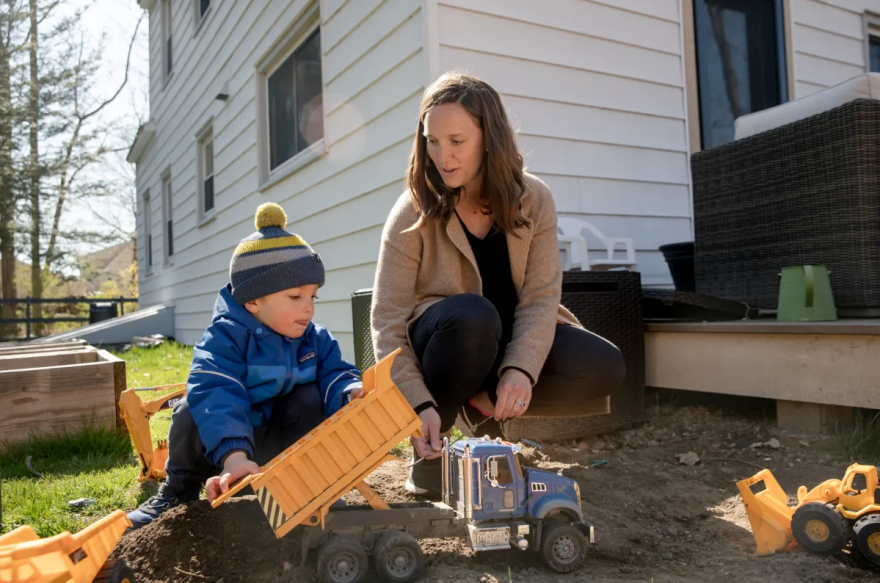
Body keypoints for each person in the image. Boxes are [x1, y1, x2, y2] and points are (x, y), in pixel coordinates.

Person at [371, 73, 626, 498]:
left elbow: (542, 298)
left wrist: (520, 368)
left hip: (505, 344)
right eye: (432, 141)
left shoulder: (534, 200)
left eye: (457, 141)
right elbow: (385, 324)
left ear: (489, 138)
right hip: (447, 343)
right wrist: (419, 405)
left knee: (604, 365)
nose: (442, 156)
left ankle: (482, 407)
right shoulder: (412, 212)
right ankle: (433, 443)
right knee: (472, 314)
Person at [127, 203, 363, 529]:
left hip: (278, 451)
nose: (308, 307)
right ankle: (177, 492)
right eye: (295, 296)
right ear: (253, 300)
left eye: (313, 296)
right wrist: (234, 456)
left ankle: (310, 486)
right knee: (192, 407)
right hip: (223, 456)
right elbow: (217, 392)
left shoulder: (314, 339)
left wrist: (349, 391)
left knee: (310, 395)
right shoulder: (225, 338)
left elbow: (336, 371)